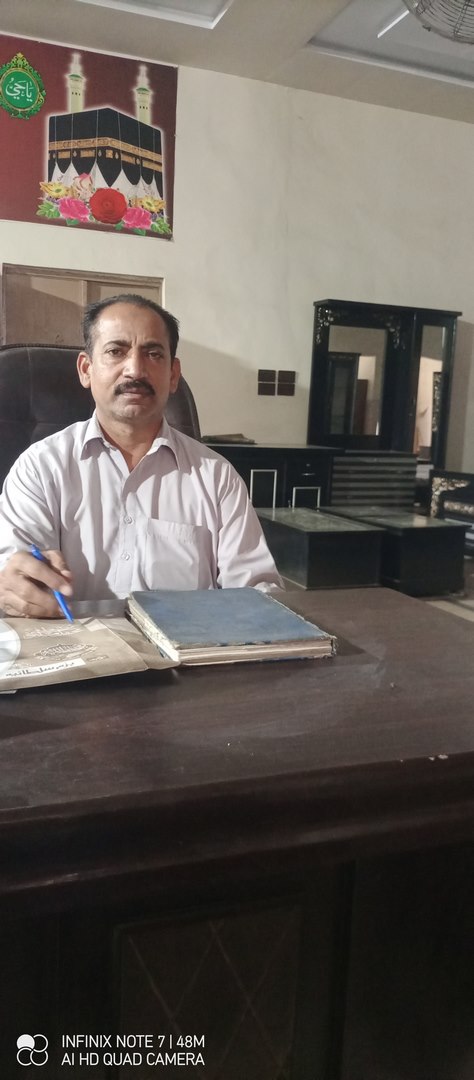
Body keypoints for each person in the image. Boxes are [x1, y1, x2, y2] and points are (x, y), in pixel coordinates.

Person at [0, 294, 282, 618]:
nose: (135, 369)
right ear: (86, 369)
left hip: (188, 648)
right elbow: (16, 572)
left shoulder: (217, 478)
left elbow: (257, 597)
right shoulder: (41, 468)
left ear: (173, 375)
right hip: (75, 647)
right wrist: (17, 587)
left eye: (153, 354)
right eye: (116, 351)